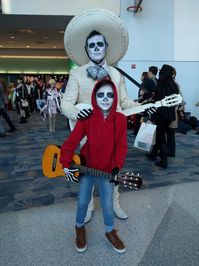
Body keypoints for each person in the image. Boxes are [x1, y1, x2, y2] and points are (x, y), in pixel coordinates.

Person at [61, 9, 141, 222]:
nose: (96, 48)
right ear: (87, 50)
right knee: (86, 169)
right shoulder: (77, 73)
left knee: (113, 166)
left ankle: (114, 202)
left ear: (106, 47)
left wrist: (142, 106)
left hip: (112, 129)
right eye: (92, 45)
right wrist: (78, 112)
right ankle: (86, 207)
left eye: (100, 44)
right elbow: (66, 103)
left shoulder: (116, 74)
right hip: (87, 130)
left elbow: (124, 102)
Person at [60, 79, 127, 253]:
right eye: (100, 95)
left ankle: (110, 230)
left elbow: (121, 146)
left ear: (115, 97)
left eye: (110, 95)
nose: (105, 98)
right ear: (94, 97)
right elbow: (71, 142)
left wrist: (117, 167)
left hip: (107, 170)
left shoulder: (120, 119)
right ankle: (79, 227)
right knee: (83, 200)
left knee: (107, 202)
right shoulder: (87, 117)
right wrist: (65, 164)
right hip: (86, 167)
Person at [146, 64, 179, 168]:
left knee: (161, 138)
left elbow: (158, 100)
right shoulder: (173, 85)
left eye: (161, 72)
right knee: (161, 135)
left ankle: (164, 161)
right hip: (169, 115)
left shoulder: (162, 84)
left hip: (161, 114)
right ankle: (153, 154)